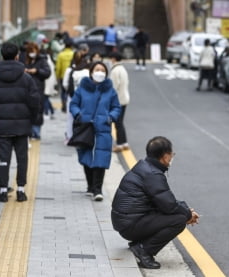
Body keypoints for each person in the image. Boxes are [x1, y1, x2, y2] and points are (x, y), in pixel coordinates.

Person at [111, 136, 199, 269]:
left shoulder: (145, 167)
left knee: (179, 214)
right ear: (165, 156)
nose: (171, 157)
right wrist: (187, 214)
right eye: (171, 154)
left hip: (125, 221)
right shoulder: (153, 174)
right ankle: (143, 250)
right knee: (179, 220)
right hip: (129, 225)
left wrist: (186, 209)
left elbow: (164, 201)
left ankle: (139, 244)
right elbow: (169, 206)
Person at [0, 42, 40, 202]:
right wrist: (31, 119)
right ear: (17, 56)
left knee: (3, 159)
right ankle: (21, 191)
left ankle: (2, 191)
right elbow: (35, 101)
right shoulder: (27, 78)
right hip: (23, 127)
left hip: (2, 127)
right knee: (22, 159)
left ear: (1, 56)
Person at [69, 62, 121, 201]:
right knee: (86, 156)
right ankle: (90, 186)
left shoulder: (110, 90)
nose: (100, 72)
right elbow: (73, 104)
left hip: (103, 129)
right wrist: (79, 115)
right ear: (91, 72)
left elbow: (116, 107)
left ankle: (98, 189)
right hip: (85, 127)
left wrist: (110, 117)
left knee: (101, 158)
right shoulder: (82, 88)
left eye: (102, 70)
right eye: (97, 69)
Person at [24, 42, 51, 139]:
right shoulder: (25, 60)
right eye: (30, 51)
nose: (32, 53)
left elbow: (47, 72)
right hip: (25, 90)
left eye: (33, 51)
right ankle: (29, 132)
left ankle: (36, 132)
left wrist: (37, 71)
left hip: (38, 89)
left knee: (38, 110)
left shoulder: (42, 60)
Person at [63, 51, 90, 141]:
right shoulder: (87, 71)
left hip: (72, 97)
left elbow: (65, 84)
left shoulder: (70, 70)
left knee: (70, 117)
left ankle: (70, 137)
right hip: (86, 98)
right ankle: (82, 136)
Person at [109, 52, 130, 152]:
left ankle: (119, 144)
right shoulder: (122, 69)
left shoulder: (115, 71)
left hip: (118, 100)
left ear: (113, 59)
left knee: (118, 123)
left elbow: (113, 87)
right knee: (120, 122)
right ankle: (124, 143)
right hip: (124, 98)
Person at [55, 38, 74, 113]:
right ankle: (69, 105)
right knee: (70, 91)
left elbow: (58, 67)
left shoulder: (60, 55)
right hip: (72, 75)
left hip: (63, 76)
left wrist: (57, 76)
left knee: (63, 92)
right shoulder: (73, 54)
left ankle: (64, 106)